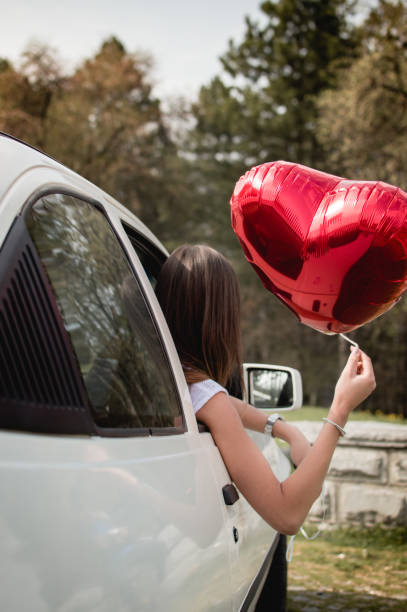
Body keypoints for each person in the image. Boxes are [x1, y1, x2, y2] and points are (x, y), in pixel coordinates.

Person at [155, 244, 376, 535]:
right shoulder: (205, 398)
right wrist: (340, 410)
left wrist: (286, 431)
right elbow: (287, 515)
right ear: (220, 319)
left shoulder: (169, 384)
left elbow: (232, 405)